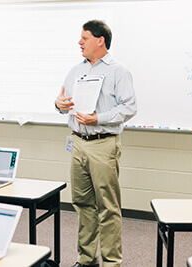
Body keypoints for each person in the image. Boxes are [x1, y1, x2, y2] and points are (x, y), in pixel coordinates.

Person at [55, 20, 136, 267]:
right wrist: (58, 105)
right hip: (77, 142)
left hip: (102, 144)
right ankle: (87, 260)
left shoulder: (118, 70)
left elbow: (129, 107)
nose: (79, 42)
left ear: (100, 40)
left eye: (85, 38)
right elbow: (62, 101)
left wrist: (97, 118)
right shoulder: (75, 70)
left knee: (107, 208)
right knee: (82, 204)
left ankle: (111, 262)